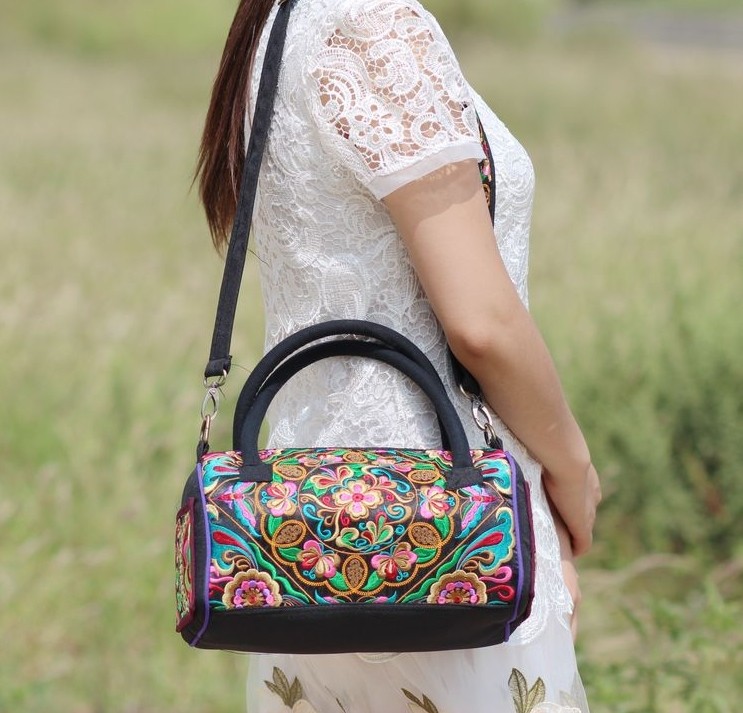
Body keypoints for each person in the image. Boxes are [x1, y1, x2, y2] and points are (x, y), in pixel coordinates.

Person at [196, 0, 601, 710]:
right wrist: (573, 471)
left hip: (300, 548)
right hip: (440, 540)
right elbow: (481, 322)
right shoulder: (375, 25)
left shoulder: (283, 21)